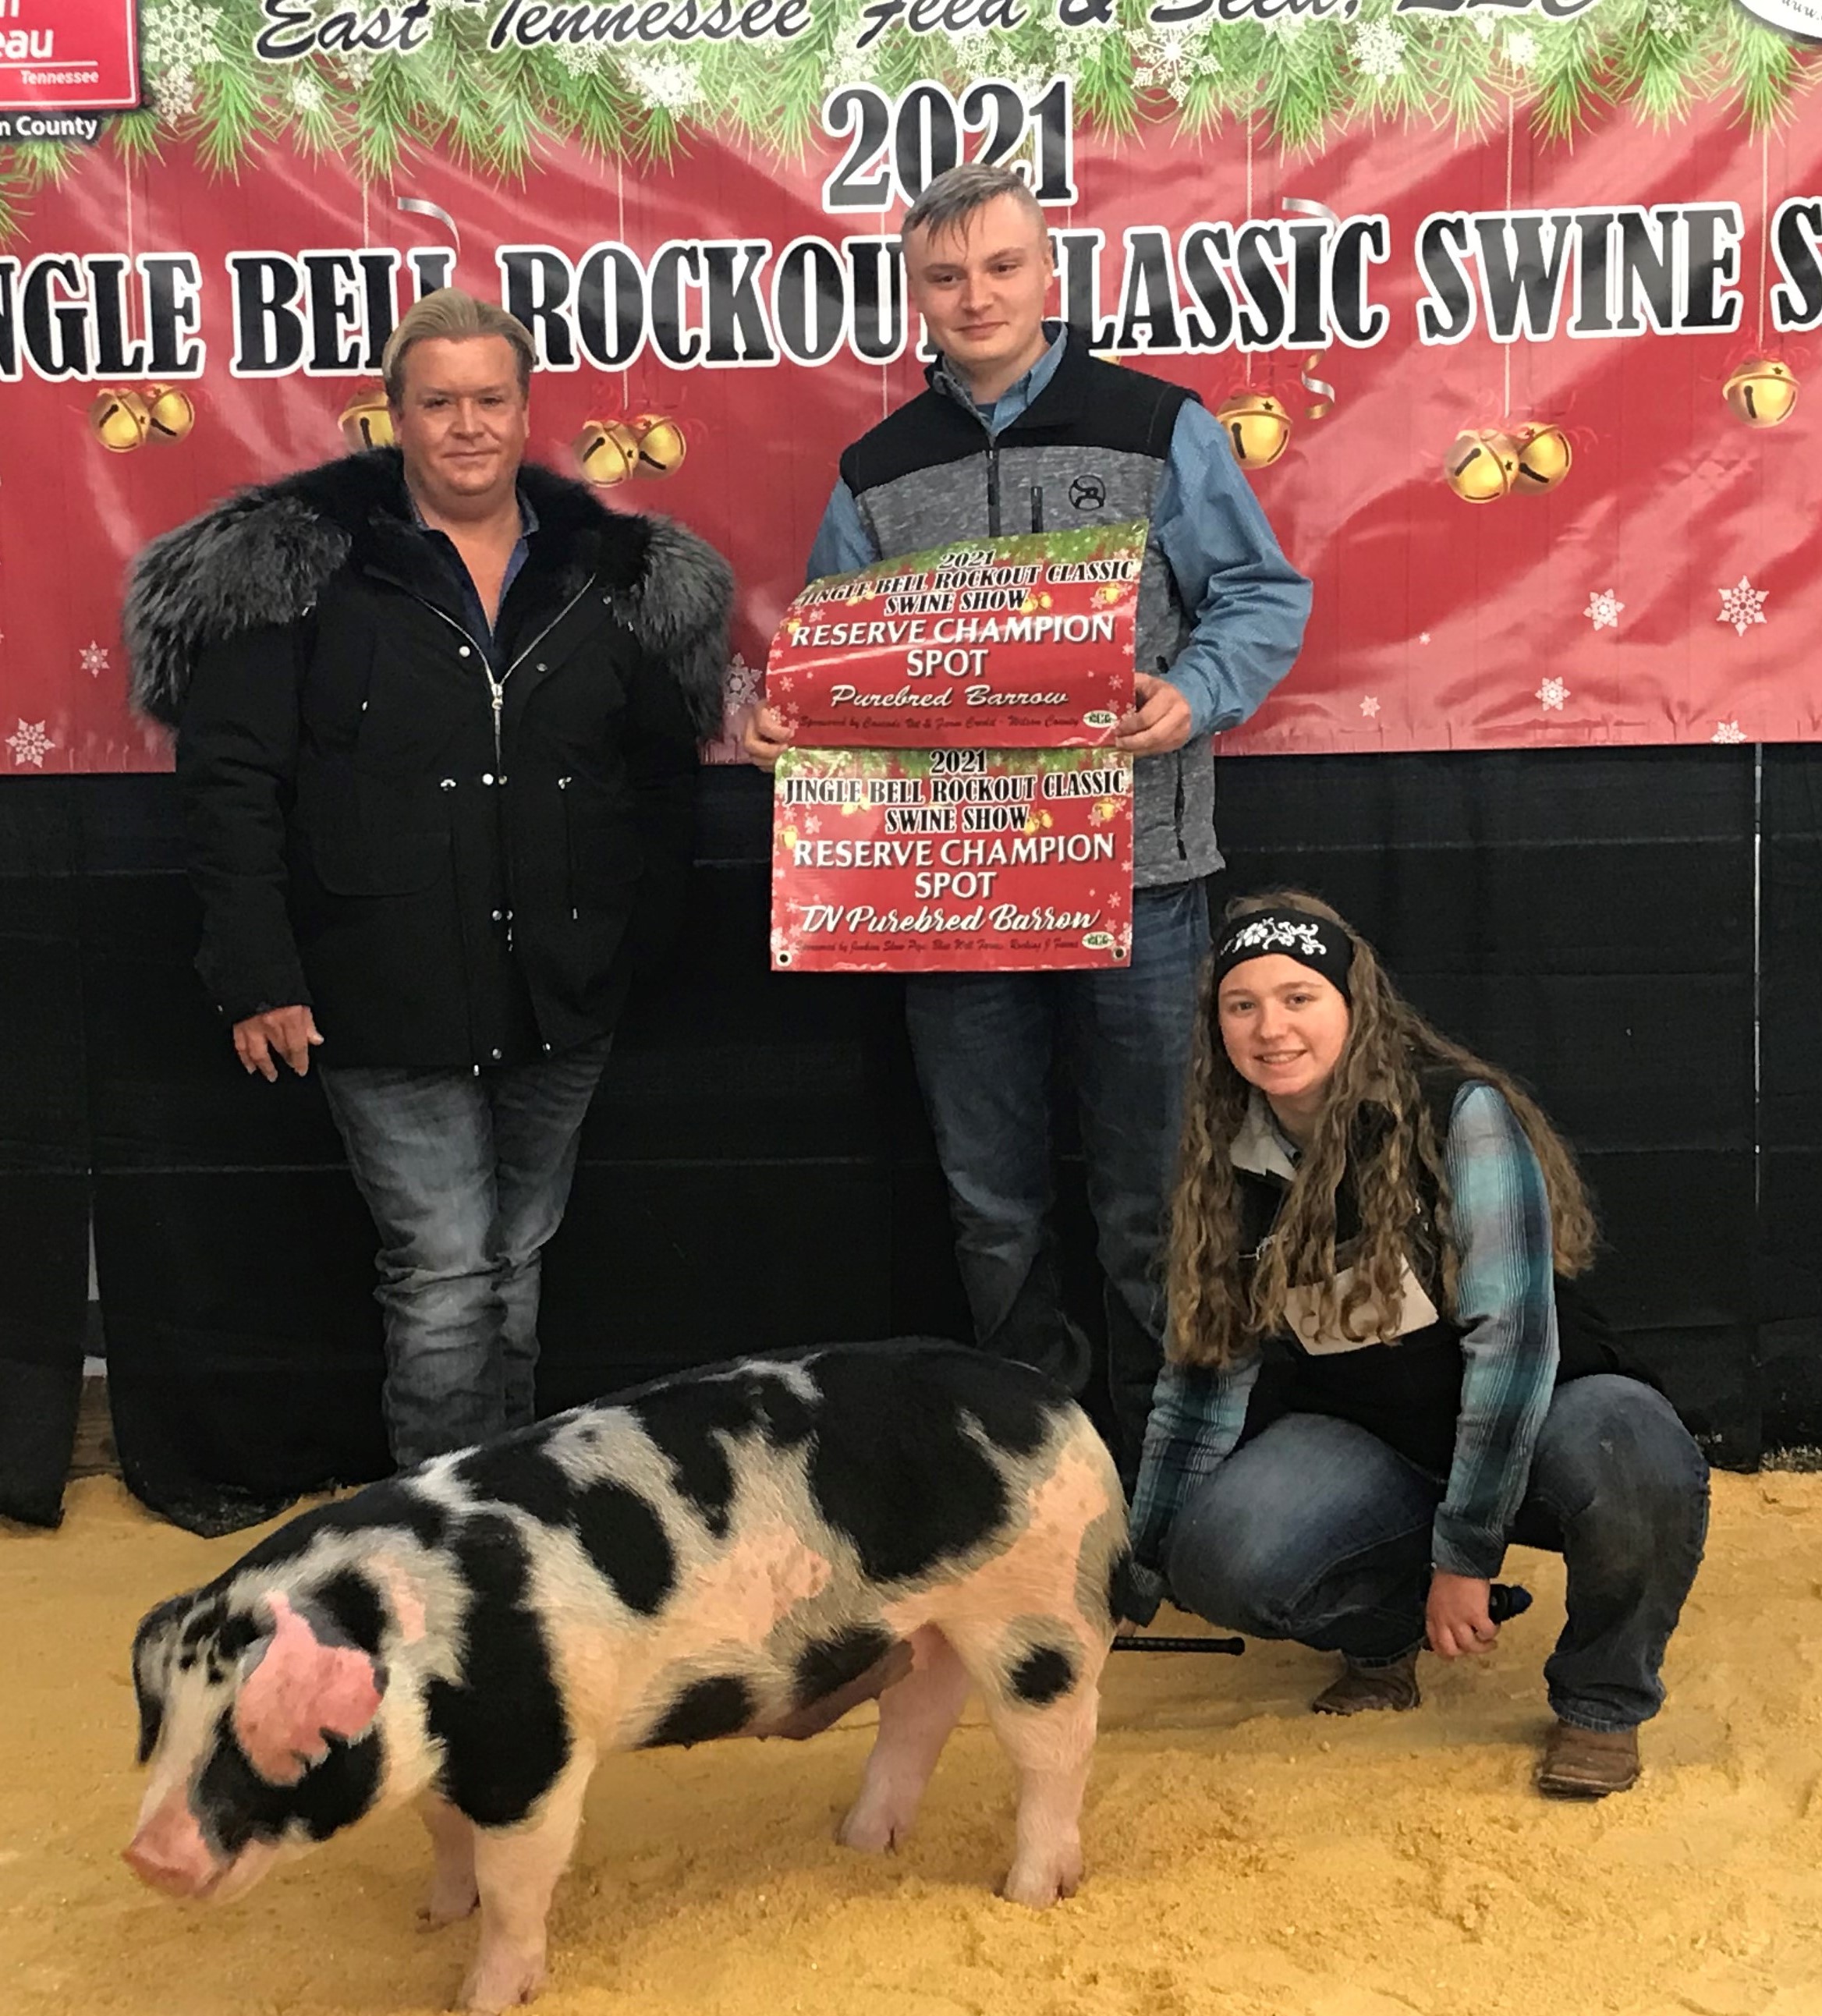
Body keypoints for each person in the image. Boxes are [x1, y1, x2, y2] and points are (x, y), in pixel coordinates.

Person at [745, 163, 1312, 1484]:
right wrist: (789, 722)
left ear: (1049, 276)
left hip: (1141, 886)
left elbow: (1259, 593)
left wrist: (1193, 694)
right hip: (950, 899)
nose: (976, 295)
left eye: (1001, 267)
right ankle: (1036, 1493)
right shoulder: (875, 471)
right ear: (913, 296)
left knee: (1149, 1209)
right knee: (991, 1215)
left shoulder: (1159, 426)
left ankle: (1182, 1493)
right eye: (946, 277)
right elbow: (836, 658)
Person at [125, 289, 732, 1469]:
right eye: (437, 401)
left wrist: (634, 948)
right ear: (393, 415)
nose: (466, 425)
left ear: (524, 411)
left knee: (516, 1258)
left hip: (562, 994)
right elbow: (231, 783)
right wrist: (257, 971)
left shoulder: (608, 573)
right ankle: (435, 1554)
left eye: (489, 400)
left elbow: (659, 781)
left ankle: (504, 1524)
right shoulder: (298, 571)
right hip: (377, 991)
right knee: (446, 1265)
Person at [1122, 891, 1710, 1798]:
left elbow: (1509, 1346)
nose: (1269, 1027)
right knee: (1219, 1555)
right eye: (1241, 1005)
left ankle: (1599, 1700)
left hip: (1544, 1413)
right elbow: (1200, 1378)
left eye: (1297, 997)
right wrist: (1144, 1561)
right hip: (1376, 1440)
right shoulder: (1224, 1157)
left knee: (1634, 1451)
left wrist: (1464, 1555)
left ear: (1351, 1006)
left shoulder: (1456, 1115)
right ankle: (1383, 1632)